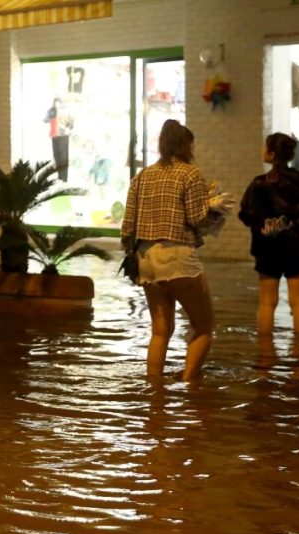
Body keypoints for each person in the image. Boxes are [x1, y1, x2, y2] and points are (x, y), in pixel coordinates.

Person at [121, 120, 226, 382]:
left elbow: (127, 226)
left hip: (146, 258)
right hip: (177, 257)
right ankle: (190, 387)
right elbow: (197, 219)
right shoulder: (190, 174)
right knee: (204, 327)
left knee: (160, 331)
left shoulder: (142, 176)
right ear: (186, 145)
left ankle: (155, 390)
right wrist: (216, 209)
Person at [238, 132, 299, 336]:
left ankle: (265, 352)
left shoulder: (259, 183)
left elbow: (246, 215)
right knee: (298, 303)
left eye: (265, 146)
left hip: (267, 249)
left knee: (267, 302)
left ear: (272, 153)